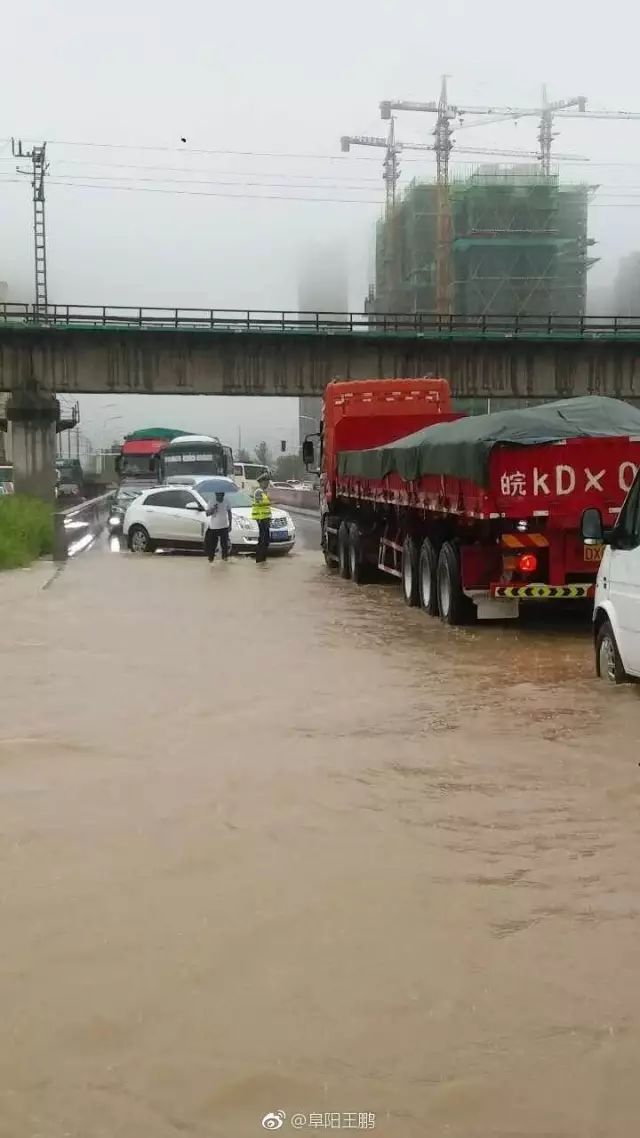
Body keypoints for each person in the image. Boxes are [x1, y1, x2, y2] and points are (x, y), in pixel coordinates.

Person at [204, 489, 232, 562]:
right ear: (216, 494)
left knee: (224, 546)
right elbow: (207, 514)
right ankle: (211, 561)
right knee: (212, 546)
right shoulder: (212, 501)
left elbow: (229, 512)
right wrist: (213, 509)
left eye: (221, 495)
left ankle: (225, 560)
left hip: (224, 526)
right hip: (214, 527)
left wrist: (230, 525)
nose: (220, 497)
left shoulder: (226, 500)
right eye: (218, 495)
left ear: (223, 494)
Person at [251, 471, 272, 564]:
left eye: (268, 482)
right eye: (266, 482)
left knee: (266, 541)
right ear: (261, 482)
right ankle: (259, 560)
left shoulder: (264, 492)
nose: (267, 483)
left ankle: (263, 561)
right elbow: (260, 503)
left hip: (265, 519)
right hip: (261, 519)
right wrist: (271, 502)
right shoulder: (258, 492)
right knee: (263, 541)